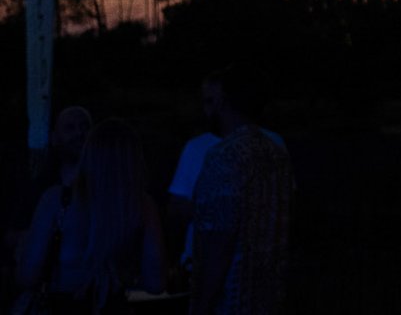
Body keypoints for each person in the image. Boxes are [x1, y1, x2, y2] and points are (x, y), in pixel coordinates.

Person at [16, 118, 166, 314]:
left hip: (61, 305)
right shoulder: (142, 205)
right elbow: (155, 283)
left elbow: (27, 276)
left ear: (89, 153)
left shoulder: (57, 200)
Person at [188, 68, 292, 315]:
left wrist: (201, 304)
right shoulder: (277, 155)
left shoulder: (224, 156)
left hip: (229, 301)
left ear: (225, 102)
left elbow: (218, 241)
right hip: (270, 299)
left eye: (215, 100)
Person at [165, 78, 283, 285]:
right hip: (212, 265)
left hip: (247, 267)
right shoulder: (198, 148)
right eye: (207, 101)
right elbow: (176, 206)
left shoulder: (267, 146)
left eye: (216, 101)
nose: (212, 109)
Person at [6, 105, 93, 257]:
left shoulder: (106, 184)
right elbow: (12, 236)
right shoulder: (39, 189)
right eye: (70, 128)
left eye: (85, 127)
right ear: (54, 137)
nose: (79, 133)